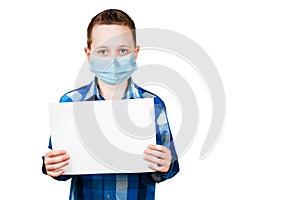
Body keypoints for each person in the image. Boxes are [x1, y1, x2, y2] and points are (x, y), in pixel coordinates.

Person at [42, 9, 179, 200]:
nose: (113, 60)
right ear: (89, 55)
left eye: (122, 50)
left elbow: (169, 167)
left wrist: (167, 165)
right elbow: (61, 166)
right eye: (103, 51)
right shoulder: (70, 104)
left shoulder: (153, 105)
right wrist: (51, 165)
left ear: (135, 53)